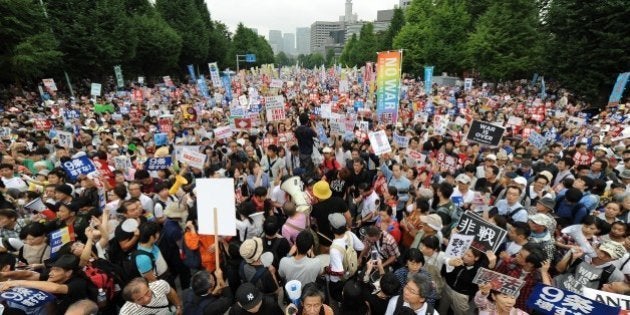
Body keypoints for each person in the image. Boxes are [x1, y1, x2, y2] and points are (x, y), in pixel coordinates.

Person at [0, 254, 90, 314]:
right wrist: (4, 274)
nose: (51, 273)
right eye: (52, 269)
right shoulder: (53, 275)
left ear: (68, 273)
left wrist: (16, 283)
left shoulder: (79, 283)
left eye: (56, 270)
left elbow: (56, 288)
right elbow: (29, 274)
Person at [310, 180, 351, 252]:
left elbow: (312, 221)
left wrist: (313, 203)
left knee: (324, 257)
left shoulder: (315, 208)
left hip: (324, 239)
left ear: (317, 195)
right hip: (340, 235)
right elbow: (348, 217)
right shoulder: (339, 201)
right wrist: (348, 227)